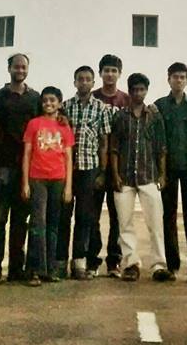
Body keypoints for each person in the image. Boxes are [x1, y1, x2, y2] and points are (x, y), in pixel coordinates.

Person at [110, 72, 172, 282]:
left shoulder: (154, 115)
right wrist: (115, 174)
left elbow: (161, 147)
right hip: (125, 178)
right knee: (125, 223)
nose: (138, 93)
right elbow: (114, 148)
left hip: (149, 175)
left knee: (155, 222)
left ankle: (158, 265)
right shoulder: (120, 116)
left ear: (146, 91)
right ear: (129, 91)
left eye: (142, 90)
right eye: (134, 90)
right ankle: (131, 263)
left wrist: (162, 175)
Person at [0, 53, 40, 282]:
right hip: (4, 167)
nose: (20, 70)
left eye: (24, 67)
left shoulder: (35, 98)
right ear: (9, 68)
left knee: (20, 221)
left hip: (26, 169)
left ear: (28, 69)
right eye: (16, 66)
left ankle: (16, 268)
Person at [56, 66, 112, 280]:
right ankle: (60, 261)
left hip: (90, 169)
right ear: (75, 82)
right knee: (64, 216)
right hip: (66, 171)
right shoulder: (65, 107)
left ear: (93, 82)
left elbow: (104, 143)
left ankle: (79, 261)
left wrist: (102, 173)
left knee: (85, 218)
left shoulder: (101, 108)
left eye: (88, 79)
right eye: (80, 79)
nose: (84, 82)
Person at [155, 62, 187, 283]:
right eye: (175, 76)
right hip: (168, 168)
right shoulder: (159, 106)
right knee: (168, 217)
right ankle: (172, 266)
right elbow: (157, 140)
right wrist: (160, 172)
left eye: (182, 77)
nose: (179, 80)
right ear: (168, 78)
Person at [21, 86, 74, 285]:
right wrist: (25, 182)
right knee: (37, 223)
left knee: (53, 225)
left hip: (58, 180)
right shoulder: (34, 124)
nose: (48, 104)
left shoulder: (64, 126)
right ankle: (35, 269)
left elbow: (68, 158)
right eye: (45, 100)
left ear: (60, 103)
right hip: (37, 179)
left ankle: (50, 269)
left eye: (53, 100)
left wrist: (68, 187)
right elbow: (27, 154)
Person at [88, 53, 130, 278]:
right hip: (94, 164)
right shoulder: (92, 98)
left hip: (119, 167)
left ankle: (114, 261)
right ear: (100, 73)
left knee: (117, 216)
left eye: (114, 70)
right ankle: (92, 260)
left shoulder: (126, 100)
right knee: (92, 214)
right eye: (106, 70)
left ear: (119, 74)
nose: (110, 74)